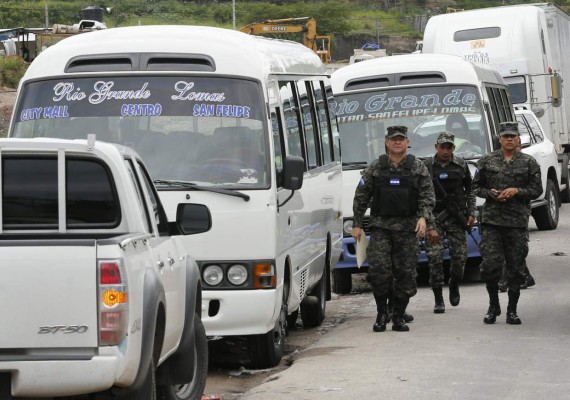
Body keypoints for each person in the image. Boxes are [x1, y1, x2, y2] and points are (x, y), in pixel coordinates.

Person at [352, 125, 435, 332]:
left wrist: (423, 218)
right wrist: (357, 223)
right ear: (386, 142)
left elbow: (427, 196)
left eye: (401, 139)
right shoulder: (376, 167)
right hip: (381, 229)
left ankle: (398, 316)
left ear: (407, 142)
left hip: (408, 230)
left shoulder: (418, 167)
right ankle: (381, 314)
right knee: (380, 272)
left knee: (406, 275)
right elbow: (361, 196)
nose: (397, 142)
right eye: (393, 139)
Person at [472, 122, 542, 325]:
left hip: (517, 222)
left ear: (518, 139)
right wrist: (490, 194)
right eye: (505, 136)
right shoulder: (487, 160)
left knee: (515, 268)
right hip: (492, 222)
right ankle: (493, 305)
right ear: (500, 139)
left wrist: (517, 191)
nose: (509, 139)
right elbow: (476, 187)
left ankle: (512, 310)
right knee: (490, 267)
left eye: (513, 136)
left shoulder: (528, 162)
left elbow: (537, 189)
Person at [423, 131, 476, 313]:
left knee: (460, 257)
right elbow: (421, 194)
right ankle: (438, 298)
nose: (445, 150)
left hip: (456, 217)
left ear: (453, 148)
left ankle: (454, 282)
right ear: (436, 147)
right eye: (442, 146)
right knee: (435, 258)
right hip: (434, 217)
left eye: (449, 147)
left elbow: (470, 189)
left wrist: (471, 211)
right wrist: (426, 221)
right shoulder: (426, 166)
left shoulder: (460, 164)